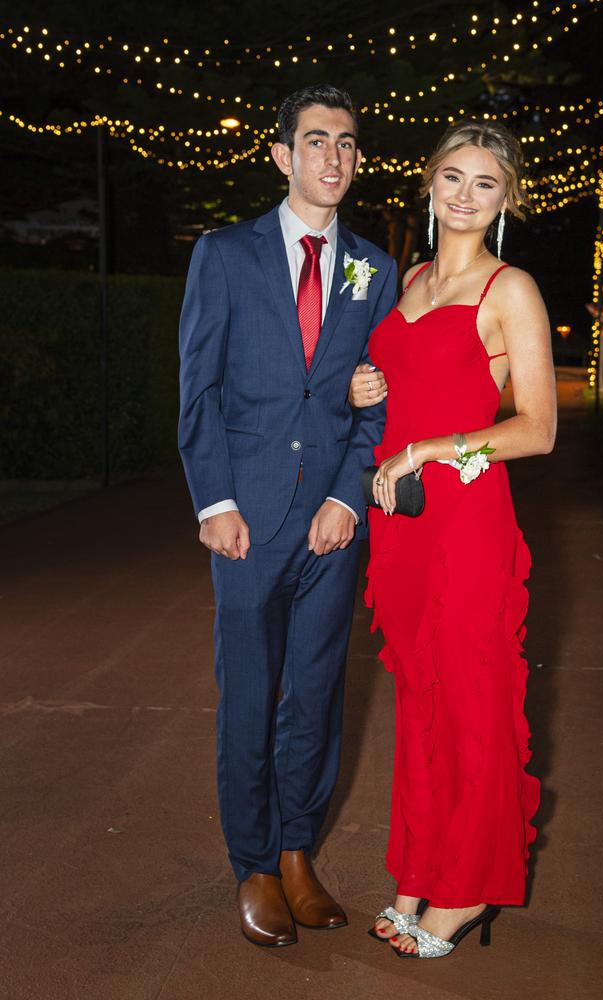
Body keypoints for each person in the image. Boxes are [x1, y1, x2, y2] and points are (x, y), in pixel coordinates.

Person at [178, 84, 397, 948]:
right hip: (248, 520)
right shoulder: (225, 254)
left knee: (315, 695)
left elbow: (376, 404)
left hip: (331, 527)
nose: (333, 158)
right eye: (316, 142)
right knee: (248, 701)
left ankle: (299, 851)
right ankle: (255, 866)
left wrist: (349, 497)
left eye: (346, 143)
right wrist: (216, 503)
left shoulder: (372, 270)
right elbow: (198, 389)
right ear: (281, 156)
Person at [349, 120, 556, 959]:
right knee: (418, 701)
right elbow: (410, 389)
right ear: (429, 184)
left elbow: (537, 429)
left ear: (507, 200)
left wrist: (437, 449)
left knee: (471, 702)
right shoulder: (413, 278)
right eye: (453, 178)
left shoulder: (511, 289)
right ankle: (416, 872)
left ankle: (466, 889)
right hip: (403, 526)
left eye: (485, 184)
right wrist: (373, 385)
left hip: (468, 523)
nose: (465, 196)